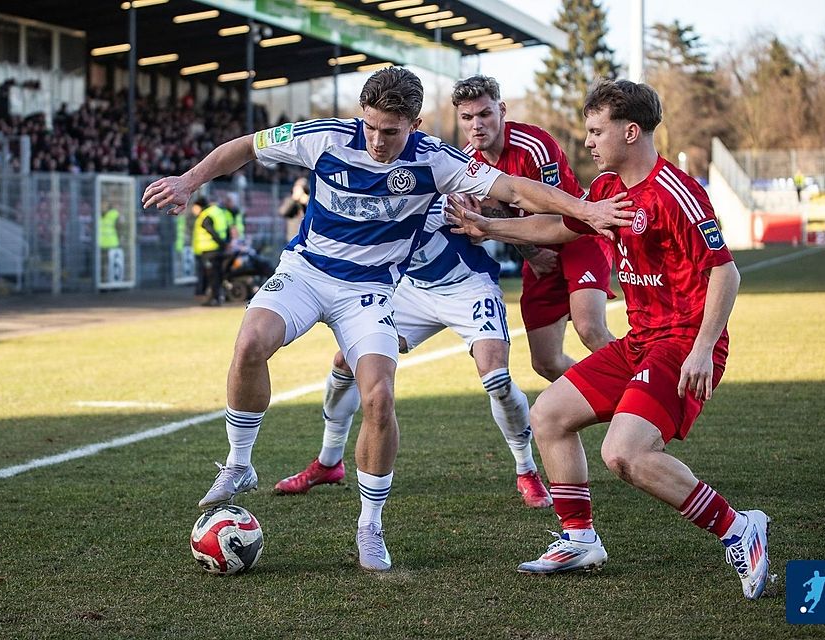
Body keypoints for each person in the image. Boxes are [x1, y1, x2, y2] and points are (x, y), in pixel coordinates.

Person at [142, 67, 631, 572]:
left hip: (370, 291)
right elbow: (245, 146)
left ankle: (369, 527)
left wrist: (584, 210)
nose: (377, 141)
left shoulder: (439, 161)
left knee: (378, 395)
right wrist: (188, 180)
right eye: (371, 127)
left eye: (391, 131)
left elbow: (515, 188)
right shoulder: (325, 137)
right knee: (249, 344)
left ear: (415, 125)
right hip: (308, 271)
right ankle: (239, 464)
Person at [445, 79, 770, 600]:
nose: (590, 142)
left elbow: (725, 273)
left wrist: (704, 348)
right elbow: (558, 228)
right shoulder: (604, 191)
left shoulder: (676, 192)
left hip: (681, 342)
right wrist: (489, 227)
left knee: (625, 455)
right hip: (640, 341)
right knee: (547, 416)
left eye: (598, 131)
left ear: (631, 130)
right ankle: (579, 539)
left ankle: (739, 528)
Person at [273, 198, 552, 509]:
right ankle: (329, 462)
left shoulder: (433, 193)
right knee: (345, 362)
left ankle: (526, 470)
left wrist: (494, 226)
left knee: (496, 378)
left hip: (468, 287)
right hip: (412, 291)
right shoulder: (365, 205)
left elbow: (488, 205)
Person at [453, 75, 615, 382]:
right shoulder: (464, 164)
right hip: (535, 249)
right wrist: (531, 253)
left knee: (589, 328)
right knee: (546, 362)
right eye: (467, 117)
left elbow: (553, 213)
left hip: (578, 235)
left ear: (501, 110)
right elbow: (493, 216)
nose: (477, 124)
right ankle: (606, 393)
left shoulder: (533, 145)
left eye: (485, 113)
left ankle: (646, 387)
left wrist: (496, 226)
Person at [190, 196, 229, 306]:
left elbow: (211, 231)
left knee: (212, 276)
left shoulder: (205, 216)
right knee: (216, 275)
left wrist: (222, 243)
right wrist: (224, 244)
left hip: (209, 251)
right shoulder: (216, 212)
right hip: (216, 250)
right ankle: (215, 298)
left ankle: (214, 299)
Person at [278, 176, 309, 241]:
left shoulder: (309, 201)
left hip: (307, 238)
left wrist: (305, 200)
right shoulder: (289, 200)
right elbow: (282, 212)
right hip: (293, 237)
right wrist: (293, 199)